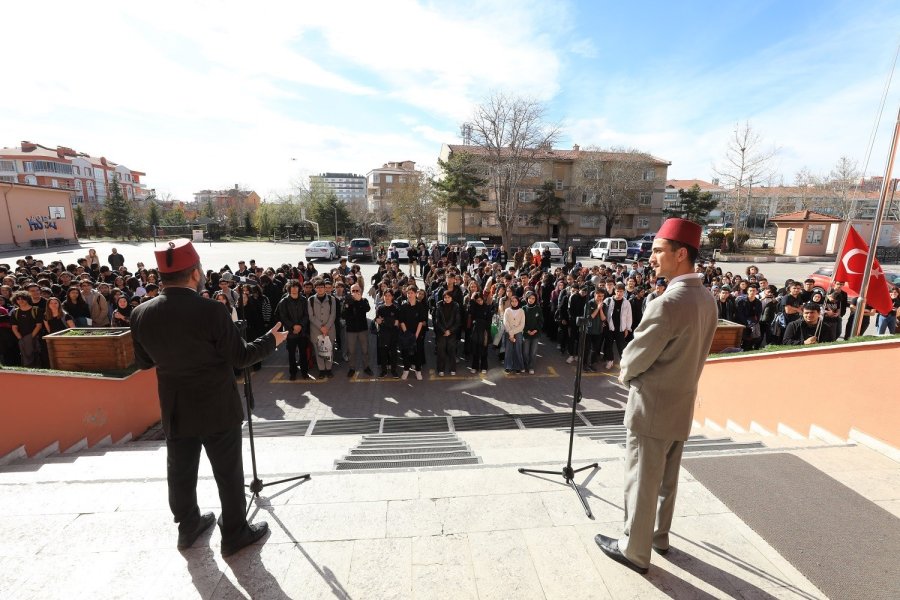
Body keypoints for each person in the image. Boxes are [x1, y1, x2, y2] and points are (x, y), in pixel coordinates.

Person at [130, 239, 287, 557]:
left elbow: (145, 362)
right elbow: (240, 357)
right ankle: (234, 534)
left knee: (180, 471)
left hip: (175, 409)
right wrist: (271, 340)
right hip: (217, 408)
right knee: (228, 474)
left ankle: (187, 528)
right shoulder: (212, 311)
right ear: (194, 273)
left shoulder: (140, 314)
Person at [595, 218, 717, 575]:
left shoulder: (668, 302)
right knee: (666, 481)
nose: (651, 258)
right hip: (681, 405)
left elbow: (635, 357)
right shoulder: (707, 298)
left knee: (642, 480)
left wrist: (624, 375)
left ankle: (635, 549)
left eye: (658, 250)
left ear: (681, 255)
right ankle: (659, 538)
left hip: (651, 408)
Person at [276, 280, 310, 381]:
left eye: (296, 287)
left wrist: (300, 325)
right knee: (291, 354)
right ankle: (293, 372)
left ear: (299, 288)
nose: (294, 289)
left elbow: (307, 315)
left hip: (302, 332)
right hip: (290, 333)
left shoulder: (304, 300)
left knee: (303, 353)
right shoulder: (284, 301)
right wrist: (293, 327)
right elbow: (283, 316)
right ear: (289, 288)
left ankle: (304, 372)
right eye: (292, 287)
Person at [308, 278, 337, 378]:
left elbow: (333, 314)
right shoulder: (311, 300)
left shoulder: (331, 299)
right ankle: (321, 370)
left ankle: (328, 369)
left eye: (322, 287)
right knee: (318, 350)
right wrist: (321, 327)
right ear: (315, 288)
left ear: (325, 288)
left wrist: (327, 327)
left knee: (329, 350)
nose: (320, 289)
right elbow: (311, 316)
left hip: (329, 330)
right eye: (318, 287)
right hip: (316, 330)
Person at [342, 283, 372, 378]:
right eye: (353, 291)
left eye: (357, 290)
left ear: (360, 291)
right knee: (351, 351)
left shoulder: (364, 300)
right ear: (350, 292)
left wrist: (360, 301)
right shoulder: (347, 301)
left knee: (365, 350)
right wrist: (348, 305)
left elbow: (367, 309)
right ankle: (352, 368)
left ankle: (366, 367)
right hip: (351, 330)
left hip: (362, 329)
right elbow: (343, 315)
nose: (355, 292)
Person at [398, 287, 428, 379]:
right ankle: (406, 370)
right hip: (406, 333)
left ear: (415, 294)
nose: (409, 295)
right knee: (406, 352)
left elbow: (420, 321)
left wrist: (416, 335)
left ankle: (418, 371)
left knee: (418, 352)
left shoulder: (420, 306)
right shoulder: (403, 306)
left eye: (411, 293)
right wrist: (407, 333)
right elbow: (401, 321)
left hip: (417, 333)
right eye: (408, 293)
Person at [11, 291, 43, 367]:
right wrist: (20, 338)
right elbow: (14, 327)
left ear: (28, 299)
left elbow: (39, 325)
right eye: (18, 299)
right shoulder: (15, 312)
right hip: (22, 338)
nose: (20, 301)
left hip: (35, 337)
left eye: (23, 299)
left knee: (35, 355)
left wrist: (31, 337)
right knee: (25, 356)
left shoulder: (36, 310)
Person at [375, 289, 401, 378]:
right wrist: (389, 321)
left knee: (393, 353)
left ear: (392, 297)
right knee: (383, 354)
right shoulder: (380, 308)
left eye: (389, 295)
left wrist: (384, 321)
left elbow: (396, 323)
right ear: (383, 296)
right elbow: (377, 320)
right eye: (385, 295)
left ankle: (394, 371)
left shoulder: (396, 308)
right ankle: (383, 371)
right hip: (383, 334)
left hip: (393, 334)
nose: (387, 297)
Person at [434, 289, 461, 376]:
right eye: (445, 297)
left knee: (452, 351)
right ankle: (440, 369)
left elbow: (457, 321)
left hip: (452, 332)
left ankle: (452, 369)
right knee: (441, 351)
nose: (447, 299)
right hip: (441, 332)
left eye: (448, 297)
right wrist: (444, 330)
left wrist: (450, 331)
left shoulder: (456, 306)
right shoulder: (439, 305)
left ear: (452, 298)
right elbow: (437, 320)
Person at [521, 291, 543, 374]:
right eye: (529, 298)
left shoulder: (538, 308)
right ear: (527, 298)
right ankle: (525, 365)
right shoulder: (523, 308)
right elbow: (522, 322)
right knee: (525, 352)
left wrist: (535, 330)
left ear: (535, 299)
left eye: (533, 298)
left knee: (533, 352)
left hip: (536, 334)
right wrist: (527, 330)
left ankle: (531, 367)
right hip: (526, 334)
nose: (531, 300)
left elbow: (540, 321)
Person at [502, 294, 525, 373]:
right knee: (508, 349)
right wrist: (510, 333)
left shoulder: (521, 311)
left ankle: (518, 366)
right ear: (510, 302)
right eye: (512, 301)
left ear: (518, 302)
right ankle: (508, 366)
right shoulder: (507, 310)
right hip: (508, 332)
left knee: (518, 349)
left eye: (516, 301)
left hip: (518, 333)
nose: (514, 303)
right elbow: (505, 322)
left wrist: (512, 332)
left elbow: (522, 325)